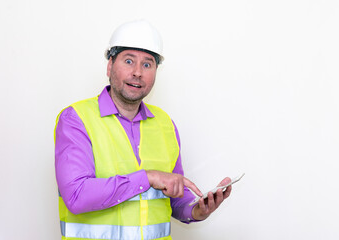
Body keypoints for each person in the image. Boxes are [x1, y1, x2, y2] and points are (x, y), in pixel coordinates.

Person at [54, 19, 232, 240]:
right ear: (110, 65)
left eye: (147, 64)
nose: (137, 72)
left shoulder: (164, 123)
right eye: (129, 61)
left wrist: (195, 210)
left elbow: (175, 197)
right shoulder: (76, 119)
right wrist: (147, 177)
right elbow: (76, 196)